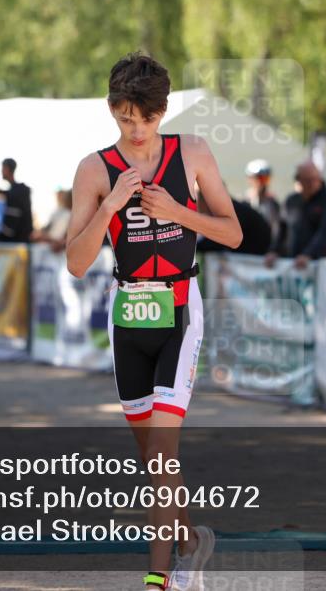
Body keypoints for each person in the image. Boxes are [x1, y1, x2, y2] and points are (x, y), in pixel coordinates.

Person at [65, 53, 239, 591]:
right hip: (129, 316)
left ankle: (159, 577)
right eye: (124, 119)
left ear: (162, 112)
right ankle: (191, 543)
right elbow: (75, 260)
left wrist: (179, 212)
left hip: (181, 307)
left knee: (163, 456)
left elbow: (232, 233)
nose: (135, 131)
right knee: (153, 460)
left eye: (144, 119)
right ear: (112, 110)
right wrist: (110, 206)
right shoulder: (95, 169)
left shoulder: (193, 153)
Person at [264, 160, 326, 269]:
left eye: (311, 180)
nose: (308, 184)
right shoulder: (291, 201)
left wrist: (309, 254)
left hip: (322, 267)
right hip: (294, 264)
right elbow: (281, 229)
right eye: (304, 180)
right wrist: (274, 251)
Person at [197, 195, 271, 255]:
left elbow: (219, 242)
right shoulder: (230, 206)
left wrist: (196, 246)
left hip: (258, 253)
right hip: (252, 249)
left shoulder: (231, 211)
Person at [0, 157, 33, 242]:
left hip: (18, 241)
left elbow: (10, 230)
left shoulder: (19, 192)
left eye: (3, 168)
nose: (1, 171)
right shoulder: (16, 191)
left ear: (7, 169)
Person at [244, 159, 283, 252]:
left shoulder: (273, 203)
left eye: (265, 179)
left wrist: (273, 250)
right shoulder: (244, 202)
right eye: (259, 178)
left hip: (266, 251)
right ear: (250, 179)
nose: (262, 183)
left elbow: (276, 230)